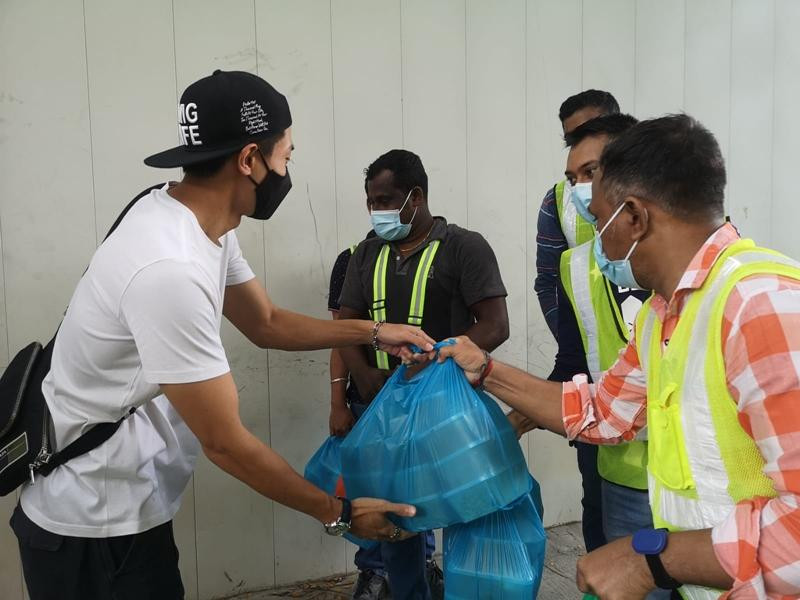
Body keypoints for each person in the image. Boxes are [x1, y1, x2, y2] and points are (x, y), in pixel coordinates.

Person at [10, 70, 435, 600]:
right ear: (249, 159)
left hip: (123, 506)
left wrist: (374, 330)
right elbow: (226, 443)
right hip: (92, 528)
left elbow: (266, 323)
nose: (287, 171)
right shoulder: (170, 269)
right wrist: (340, 513)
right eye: (286, 156)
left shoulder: (192, 217)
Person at [438, 114, 800, 599]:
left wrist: (652, 561)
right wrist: (485, 369)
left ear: (633, 217)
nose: (596, 244)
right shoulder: (661, 315)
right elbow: (603, 412)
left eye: (597, 222)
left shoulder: (758, 306)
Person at [337, 149, 510, 600]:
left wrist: (436, 366)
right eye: (371, 202)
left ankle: (463, 589)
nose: (376, 211)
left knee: (460, 508)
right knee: (397, 516)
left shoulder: (464, 247)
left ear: (415, 197)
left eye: (385, 200)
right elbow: (345, 326)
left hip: (445, 408)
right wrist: (364, 377)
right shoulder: (365, 253)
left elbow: (495, 325)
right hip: (381, 409)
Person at [555, 113, 668, 600]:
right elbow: (574, 365)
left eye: (592, 172)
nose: (582, 190)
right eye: (572, 179)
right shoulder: (576, 267)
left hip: (698, 480)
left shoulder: (722, 283)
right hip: (620, 468)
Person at [534, 89, 621, 554]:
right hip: (593, 376)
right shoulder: (559, 201)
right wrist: (581, 342)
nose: (583, 185)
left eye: (592, 169)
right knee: (599, 502)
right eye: (571, 140)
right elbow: (548, 281)